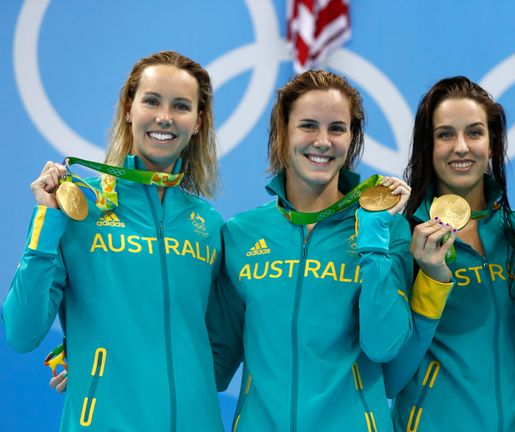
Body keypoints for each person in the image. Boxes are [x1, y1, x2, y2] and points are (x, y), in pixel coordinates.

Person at [3, 51, 225, 431]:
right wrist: (46, 216)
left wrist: (108, 356)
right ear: (128, 108)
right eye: (151, 101)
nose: (164, 117)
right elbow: (21, 334)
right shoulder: (76, 207)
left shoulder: (209, 224)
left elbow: (220, 348)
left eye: (181, 106)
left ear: (198, 122)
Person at [205, 69, 415, 431]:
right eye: (308, 126)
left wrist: (373, 238)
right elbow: (215, 365)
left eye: (337, 128)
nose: (323, 141)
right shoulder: (241, 234)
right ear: (283, 133)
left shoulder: (387, 229)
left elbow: (383, 346)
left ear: (352, 138)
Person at [384, 76, 515, 431]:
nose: (461, 147)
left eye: (474, 133)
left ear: (492, 144)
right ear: (428, 146)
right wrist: (429, 280)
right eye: (445, 134)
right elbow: (390, 377)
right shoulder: (402, 238)